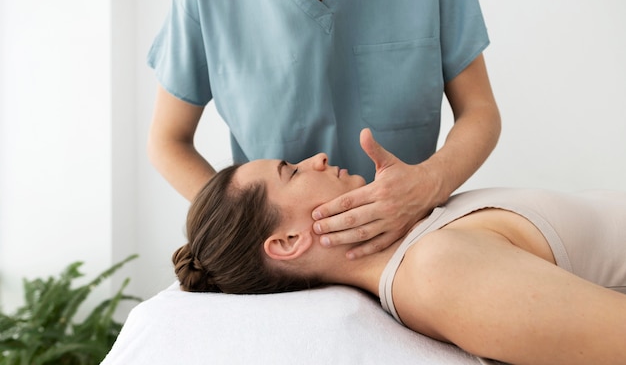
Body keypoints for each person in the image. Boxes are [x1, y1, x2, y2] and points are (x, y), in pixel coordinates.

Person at [147, 0, 501, 260]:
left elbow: (479, 111)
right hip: (290, 266)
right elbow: (168, 140)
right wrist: (241, 228)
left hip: (410, 244)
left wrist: (429, 182)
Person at [172, 129, 626, 365]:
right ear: (288, 242)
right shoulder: (435, 273)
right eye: (291, 171)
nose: (317, 159)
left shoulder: (420, 232)